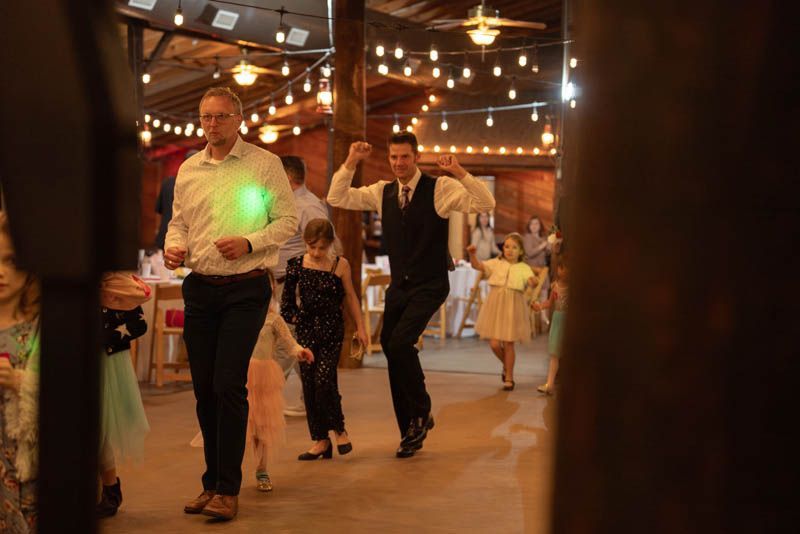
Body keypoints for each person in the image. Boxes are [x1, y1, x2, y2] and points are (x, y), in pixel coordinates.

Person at [165, 86, 298, 521]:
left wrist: (249, 241)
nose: (213, 124)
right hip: (200, 287)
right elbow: (179, 223)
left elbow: (288, 220)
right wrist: (173, 247)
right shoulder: (189, 169)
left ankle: (228, 488)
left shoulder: (264, 163)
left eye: (221, 116)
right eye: (206, 116)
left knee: (227, 384)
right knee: (204, 388)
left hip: (246, 287)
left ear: (239, 120)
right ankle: (211, 483)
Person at [327, 133, 496, 458]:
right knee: (391, 346)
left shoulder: (440, 188)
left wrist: (459, 172)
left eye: (404, 156)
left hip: (430, 284)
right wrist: (351, 161)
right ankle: (409, 428)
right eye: (393, 157)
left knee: (400, 343)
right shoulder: (383, 192)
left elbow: (485, 204)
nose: (399, 163)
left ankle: (421, 411)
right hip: (400, 286)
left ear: (416, 157)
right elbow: (337, 196)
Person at [280, 219, 368, 460]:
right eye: (312, 247)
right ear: (304, 242)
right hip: (306, 331)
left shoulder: (341, 265)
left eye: (321, 247)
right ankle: (320, 440)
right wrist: (299, 319)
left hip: (332, 330)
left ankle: (339, 430)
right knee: (309, 384)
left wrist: (361, 327)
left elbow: (351, 297)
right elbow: (286, 305)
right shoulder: (296, 265)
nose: (316, 252)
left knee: (324, 379)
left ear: (331, 243)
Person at [273, 155, 333, 418]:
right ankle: (315, 398)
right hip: (286, 283)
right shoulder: (290, 204)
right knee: (295, 343)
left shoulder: (307, 206)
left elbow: (325, 245)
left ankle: (263, 399)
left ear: (287, 177)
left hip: (299, 284)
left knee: (286, 344)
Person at [247, 271, 313, 491]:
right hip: (242, 376)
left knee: (263, 426)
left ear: (272, 289)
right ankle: (228, 470)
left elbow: (289, 341)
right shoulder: (240, 317)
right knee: (240, 424)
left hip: (264, 378)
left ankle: (262, 468)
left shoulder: (274, 319)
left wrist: (300, 351)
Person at [96, 272, 151, 518]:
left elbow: (139, 324)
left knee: (101, 429)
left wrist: (107, 338)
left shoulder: (117, 285)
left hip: (108, 363)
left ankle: (110, 488)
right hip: (72, 358)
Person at [0, 212, 40, 533]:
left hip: (22, 458)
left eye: (10, 261)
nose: (0, 271)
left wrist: (21, 382)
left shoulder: (39, 327)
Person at [467, 233, 535, 391]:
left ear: (521, 251)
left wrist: (533, 281)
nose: (509, 250)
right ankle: (507, 364)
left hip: (513, 306)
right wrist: (472, 255)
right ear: (503, 248)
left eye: (514, 247)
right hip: (496, 306)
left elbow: (531, 279)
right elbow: (478, 266)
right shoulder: (496, 263)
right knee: (494, 344)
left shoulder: (523, 268)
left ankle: (509, 377)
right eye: (507, 246)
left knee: (509, 343)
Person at [532, 254, 569, 395]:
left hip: (569, 322)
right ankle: (550, 383)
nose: (564, 271)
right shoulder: (555, 287)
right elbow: (549, 302)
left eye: (568, 268)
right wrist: (539, 306)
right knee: (554, 354)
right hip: (558, 321)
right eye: (561, 267)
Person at [154, 150, 199, 251]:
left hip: (165, 235)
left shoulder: (167, 182)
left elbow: (158, 210)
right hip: (184, 240)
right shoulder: (196, 187)